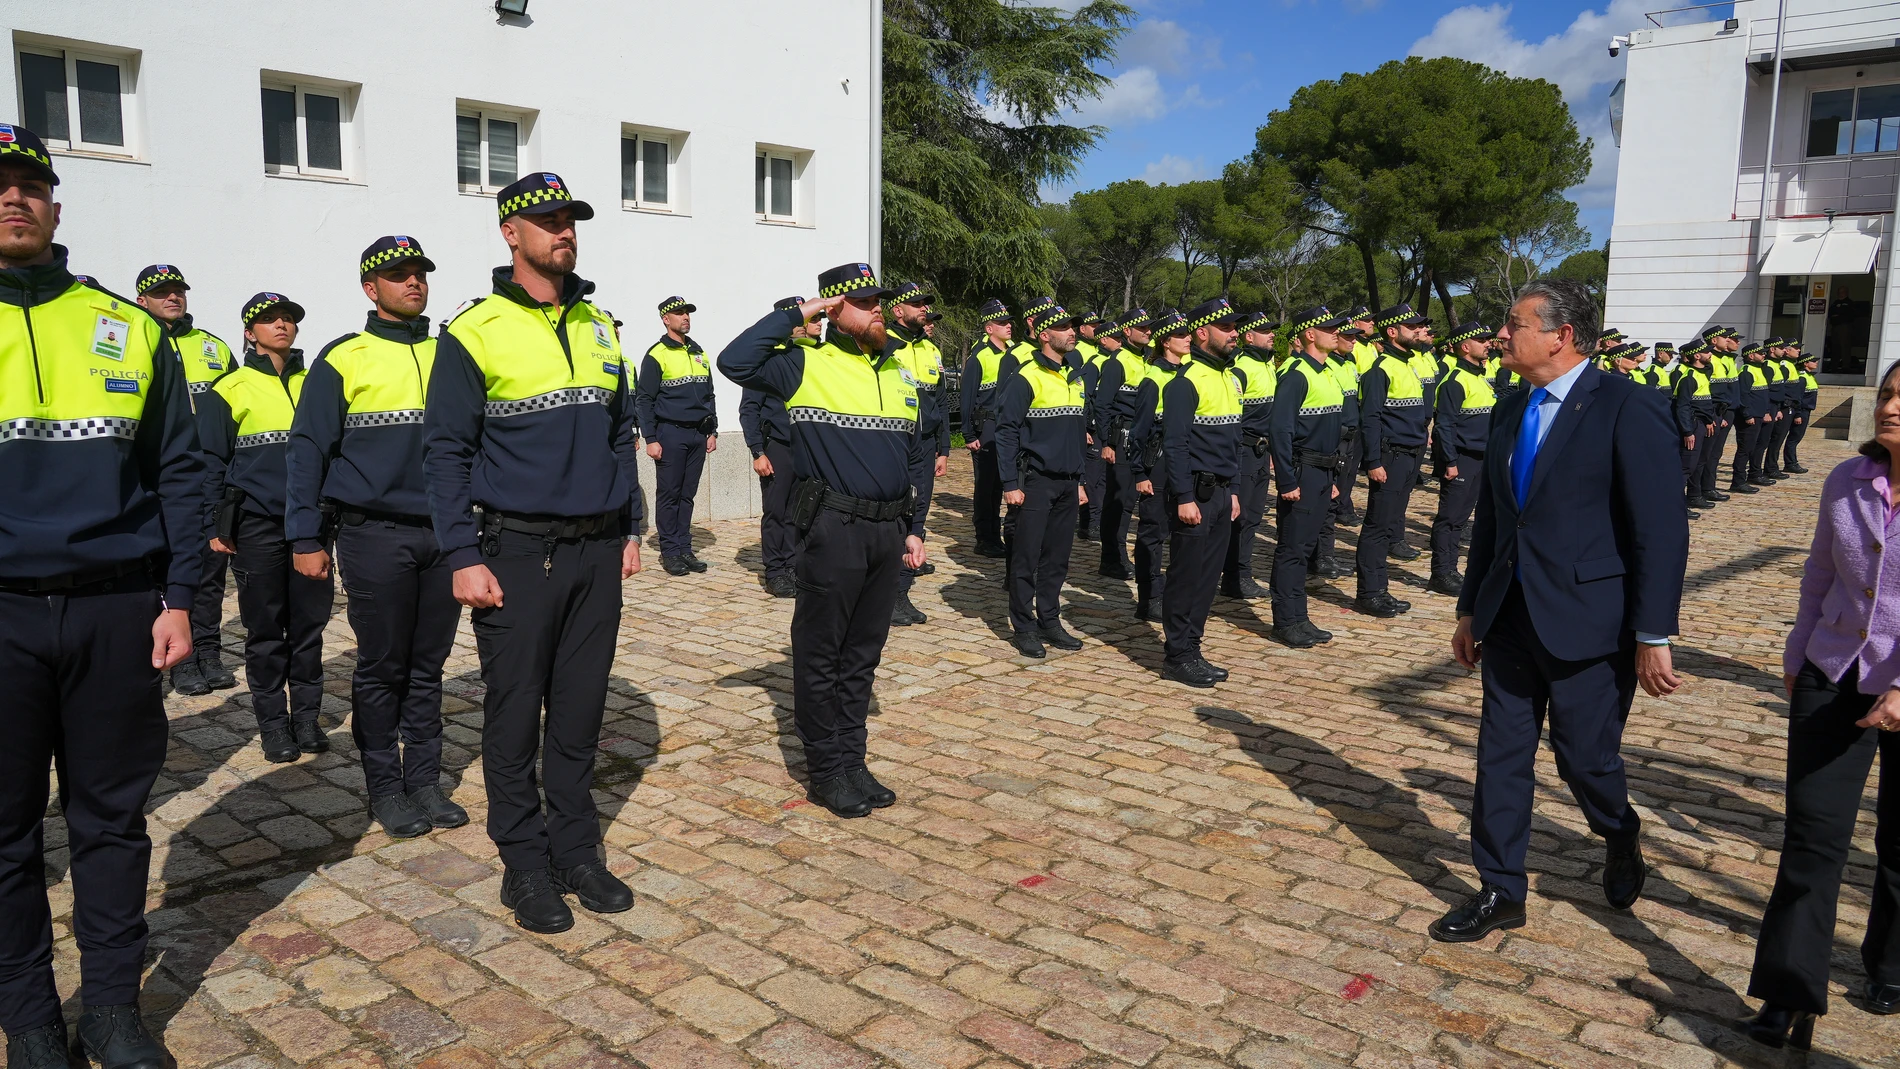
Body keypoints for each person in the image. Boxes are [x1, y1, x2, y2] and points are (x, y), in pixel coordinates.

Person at [0, 125, 201, 1069]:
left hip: (117, 609)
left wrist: (180, 596)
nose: (13, 199)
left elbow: (179, 469)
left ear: (55, 205)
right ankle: (31, 1019)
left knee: (111, 822)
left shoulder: (125, 325)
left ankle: (114, 1010)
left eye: (29, 184)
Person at [1432, 279, 1689, 944]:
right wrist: (1470, 607)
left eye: (1513, 324)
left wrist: (1652, 632)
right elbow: (1496, 513)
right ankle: (1499, 888)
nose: (1500, 335)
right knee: (1501, 754)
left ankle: (1619, 829)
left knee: (1585, 759)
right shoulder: (1509, 405)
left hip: (1591, 620)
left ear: (1559, 335)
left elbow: (1659, 529)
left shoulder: (1628, 407)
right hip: (1511, 613)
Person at [424, 171, 645, 934]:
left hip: (595, 553)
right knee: (516, 714)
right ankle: (522, 862)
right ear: (510, 232)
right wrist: (460, 552)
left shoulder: (601, 324)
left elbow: (621, 431)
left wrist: (630, 527)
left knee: (580, 713)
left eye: (571, 219)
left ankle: (576, 848)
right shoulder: (473, 329)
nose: (565, 230)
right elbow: (445, 451)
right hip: (513, 551)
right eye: (547, 220)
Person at [718, 263, 929, 819]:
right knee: (821, 657)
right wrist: (800, 313)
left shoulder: (900, 372)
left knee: (863, 656)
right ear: (834, 310)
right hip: (834, 528)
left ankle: (853, 762)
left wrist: (914, 528)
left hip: (887, 530)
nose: (878, 307)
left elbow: (914, 456)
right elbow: (733, 359)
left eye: (880, 298)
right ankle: (827, 772)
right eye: (863, 301)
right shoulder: (802, 364)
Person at [285, 235, 469, 839]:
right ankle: (385, 787)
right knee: (383, 664)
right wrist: (304, 535)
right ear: (372, 288)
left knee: (428, 665)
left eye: (419, 273)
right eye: (398, 275)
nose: (412, 282)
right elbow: (308, 450)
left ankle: (425, 781)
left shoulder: (452, 352)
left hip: (444, 536)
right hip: (373, 534)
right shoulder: (345, 357)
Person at [1745, 362, 1900, 1048]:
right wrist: (1796, 650)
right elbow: (1819, 571)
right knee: (1812, 835)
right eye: (1889, 394)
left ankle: (1890, 963)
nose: (1890, 406)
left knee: (1898, 840)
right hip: (1831, 671)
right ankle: (1788, 988)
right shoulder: (1847, 480)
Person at [198, 292, 334, 762]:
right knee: (264, 630)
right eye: (269, 320)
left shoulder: (316, 381)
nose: (281, 325)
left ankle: (307, 719)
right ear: (249, 332)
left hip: (311, 527)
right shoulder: (228, 389)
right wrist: (215, 523)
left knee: (310, 628)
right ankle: (274, 725)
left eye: (288, 319)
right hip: (257, 526)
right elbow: (210, 462)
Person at [134, 262, 239, 697]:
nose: (172, 297)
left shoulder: (213, 347)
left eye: (177, 290)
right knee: (163, 570)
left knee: (210, 569)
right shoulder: (134, 340)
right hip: (155, 480)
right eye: (161, 293)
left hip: (206, 478)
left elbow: (237, 405)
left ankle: (208, 649)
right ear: (142, 300)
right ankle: (178, 657)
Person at [1159, 299, 1246, 686]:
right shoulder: (1184, 381)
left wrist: (1237, 491)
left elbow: (1236, 441)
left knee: (1208, 578)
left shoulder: (1231, 377)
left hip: (1223, 493)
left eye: (1235, 327)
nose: (1234, 333)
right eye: (1226, 327)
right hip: (1195, 492)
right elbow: (1174, 445)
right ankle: (1177, 655)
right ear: (1202, 332)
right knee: (1185, 576)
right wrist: (1182, 497)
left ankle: (1193, 647)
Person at [995, 303, 1089, 658]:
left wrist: (1079, 480)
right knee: (1025, 557)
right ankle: (1024, 626)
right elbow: (1005, 433)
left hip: (1067, 482)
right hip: (1034, 481)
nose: (1072, 332)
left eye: (1073, 327)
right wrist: (1009, 483)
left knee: (1058, 559)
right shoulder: (1026, 377)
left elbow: (1078, 435)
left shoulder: (1075, 376)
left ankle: (1050, 619)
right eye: (1064, 327)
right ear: (1045, 334)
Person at [1268, 307, 1349, 648]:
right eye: (1328, 328)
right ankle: (1285, 620)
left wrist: (1330, 476)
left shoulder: (1327, 371)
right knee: (1291, 548)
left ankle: (1300, 616)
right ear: (1309, 334)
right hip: (1303, 470)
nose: (1336, 332)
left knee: (1306, 548)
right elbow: (1280, 429)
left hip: (1322, 471)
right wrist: (1287, 480)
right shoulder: (1297, 373)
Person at [1354, 303, 1432, 618]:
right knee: (1377, 526)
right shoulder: (1380, 369)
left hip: (1410, 455)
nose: (1418, 331)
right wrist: (1373, 462)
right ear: (1392, 331)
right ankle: (1369, 593)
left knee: (1389, 526)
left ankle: (1380, 589)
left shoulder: (1408, 364)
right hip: (1391, 456)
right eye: (1411, 326)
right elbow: (1369, 419)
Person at [637, 295, 716, 575]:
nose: (685, 317)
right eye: (679, 313)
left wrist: (712, 430)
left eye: (687, 313)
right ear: (665, 319)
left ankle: (685, 548)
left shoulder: (698, 352)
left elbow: (709, 394)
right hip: (669, 433)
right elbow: (644, 399)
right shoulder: (657, 354)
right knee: (670, 494)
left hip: (698, 434)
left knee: (687, 494)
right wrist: (650, 438)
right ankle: (670, 551)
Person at [885, 281, 947, 625]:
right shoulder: (884, 344)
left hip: (924, 446)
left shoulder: (929, 349)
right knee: (893, 515)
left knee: (917, 515)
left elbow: (937, 400)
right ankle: (885, 591)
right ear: (898, 310)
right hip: (894, 442)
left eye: (926, 303)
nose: (924, 308)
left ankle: (902, 593)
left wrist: (942, 448)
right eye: (917, 303)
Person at [1126, 311, 1192, 621]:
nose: (1188, 338)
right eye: (1181, 335)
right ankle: (1149, 595)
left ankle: (1174, 591)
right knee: (1152, 533)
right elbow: (1137, 432)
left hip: (1185, 462)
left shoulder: (1191, 374)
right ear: (1166, 341)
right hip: (1157, 464)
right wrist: (1139, 473)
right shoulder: (1153, 378)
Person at [740, 297, 806, 598]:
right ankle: (775, 571)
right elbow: (749, 410)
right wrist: (758, 451)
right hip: (775, 447)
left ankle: (793, 565)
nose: (803, 325)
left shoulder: (803, 359)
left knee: (797, 512)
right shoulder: (764, 362)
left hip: (802, 449)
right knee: (776, 512)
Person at [1427, 323, 1497, 597]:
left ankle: (1452, 569)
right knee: (1449, 518)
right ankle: (1441, 573)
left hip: (1480, 458)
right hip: (1462, 459)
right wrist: (1450, 461)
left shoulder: (1479, 375)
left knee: (1462, 519)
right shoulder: (1454, 380)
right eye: (1481, 340)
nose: (1488, 344)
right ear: (1465, 346)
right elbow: (1444, 425)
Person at [1222, 314, 1276, 598]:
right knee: (1239, 518)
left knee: (1253, 517)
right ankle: (1233, 577)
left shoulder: (1268, 365)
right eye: (1263, 331)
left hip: (1261, 450)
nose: (1271, 335)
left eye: (1271, 331)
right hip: (1243, 450)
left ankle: (1243, 572)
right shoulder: (1241, 368)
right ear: (1248, 337)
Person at [1093, 309, 1150, 579]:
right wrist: (1105, 442)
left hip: (1142, 439)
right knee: (1117, 502)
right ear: (1126, 331)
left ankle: (1120, 555)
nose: (1148, 332)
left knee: (1130, 502)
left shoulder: (1148, 359)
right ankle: (1110, 558)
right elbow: (1102, 404)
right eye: (1142, 328)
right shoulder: (1117, 362)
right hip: (1122, 437)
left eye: (1150, 328)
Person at [1310, 310, 1364, 579]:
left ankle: (1323, 554)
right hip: (1334, 439)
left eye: (1355, 336)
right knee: (1328, 500)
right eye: (1347, 336)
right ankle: (1322, 557)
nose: (1353, 340)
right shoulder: (1325, 364)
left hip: (1351, 437)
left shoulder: (1349, 363)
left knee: (1339, 494)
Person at [961, 299, 1017, 557]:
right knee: (986, 486)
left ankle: (997, 535)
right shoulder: (979, 356)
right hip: (986, 426)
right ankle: (984, 538)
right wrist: (968, 433)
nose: (1008, 327)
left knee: (1000, 483)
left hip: (1005, 426)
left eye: (1008, 322)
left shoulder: (1013, 352)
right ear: (988, 328)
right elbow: (967, 396)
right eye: (1002, 323)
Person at [1674, 339, 1717, 516]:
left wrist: (1709, 419)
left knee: (1697, 463)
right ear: (1697, 356)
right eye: (1707, 352)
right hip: (1692, 425)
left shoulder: (1702, 374)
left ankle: (1691, 497)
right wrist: (1688, 431)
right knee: (1686, 467)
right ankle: (1675, 506)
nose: (1710, 354)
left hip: (1701, 424)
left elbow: (1703, 402)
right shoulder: (1689, 377)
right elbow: (1682, 407)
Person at [1075, 312, 1108, 540]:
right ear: (1081, 329)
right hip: (1091, 426)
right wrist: (1085, 426)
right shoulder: (1079, 353)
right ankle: (1089, 523)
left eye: (1099, 325)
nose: (1096, 329)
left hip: (1105, 427)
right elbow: (1083, 394)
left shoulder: (1099, 354)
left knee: (1102, 479)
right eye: (1092, 325)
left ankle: (1095, 521)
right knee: (1092, 478)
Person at [1731, 342, 1772, 493]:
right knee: (1744, 450)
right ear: (1750, 355)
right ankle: (1738, 482)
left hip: (1759, 415)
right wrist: (1747, 414)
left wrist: (1766, 411)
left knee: (1754, 447)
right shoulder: (1746, 371)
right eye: (1760, 353)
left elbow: (1763, 394)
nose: (1764, 355)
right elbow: (1743, 395)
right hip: (1750, 417)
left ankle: (1751, 475)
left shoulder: (1759, 369)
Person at [1784, 350, 1819, 474]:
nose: (1816, 363)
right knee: (1794, 438)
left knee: (1796, 438)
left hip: (1806, 410)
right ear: (1805, 363)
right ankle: (1790, 463)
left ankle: (1791, 462)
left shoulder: (1809, 376)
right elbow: (1798, 397)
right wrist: (1798, 414)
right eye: (1813, 361)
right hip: (1802, 411)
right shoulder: (1803, 378)